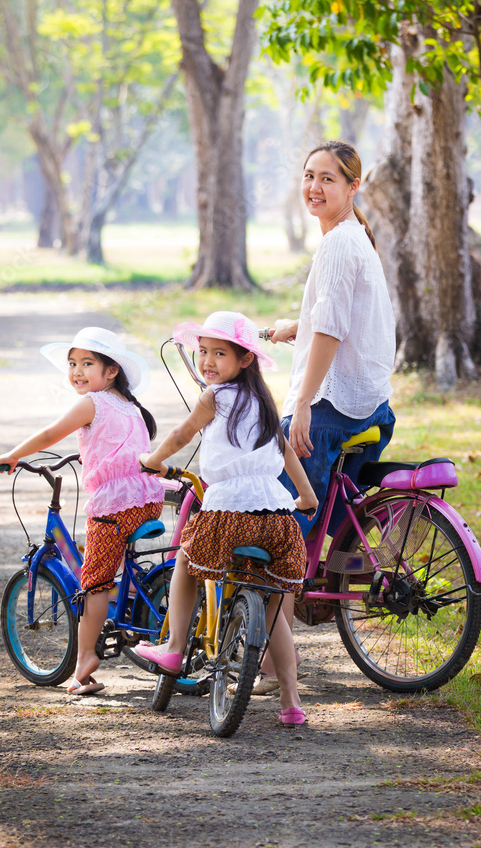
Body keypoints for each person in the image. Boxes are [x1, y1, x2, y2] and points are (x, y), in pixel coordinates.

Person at [134, 311, 318, 727]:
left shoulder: (214, 398)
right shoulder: (266, 403)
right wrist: (306, 496)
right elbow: (286, 453)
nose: (207, 362)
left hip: (229, 514)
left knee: (186, 559)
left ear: (246, 359)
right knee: (274, 612)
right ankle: (291, 703)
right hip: (277, 519)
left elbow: (182, 435)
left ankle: (175, 646)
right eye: (202, 353)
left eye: (219, 353)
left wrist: (152, 459)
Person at [0, 327, 164, 696]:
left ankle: (85, 662)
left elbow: (51, 434)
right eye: (72, 364)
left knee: (94, 581)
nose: (77, 372)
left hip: (115, 506)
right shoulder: (129, 405)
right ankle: (128, 604)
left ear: (112, 370)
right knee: (112, 562)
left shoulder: (93, 403)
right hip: (146, 498)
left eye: (88, 363)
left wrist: (14, 455)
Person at [273, 139, 396, 536]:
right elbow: (339, 315)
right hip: (371, 406)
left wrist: (304, 404)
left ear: (352, 186)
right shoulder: (353, 234)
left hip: (331, 411)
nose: (315, 187)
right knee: (324, 524)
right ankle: (327, 584)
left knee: (271, 513)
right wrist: (299, 326)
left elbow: (331, 329)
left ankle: (279, 593)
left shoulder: (339, 243)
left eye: (328, 179)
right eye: (309, 177)